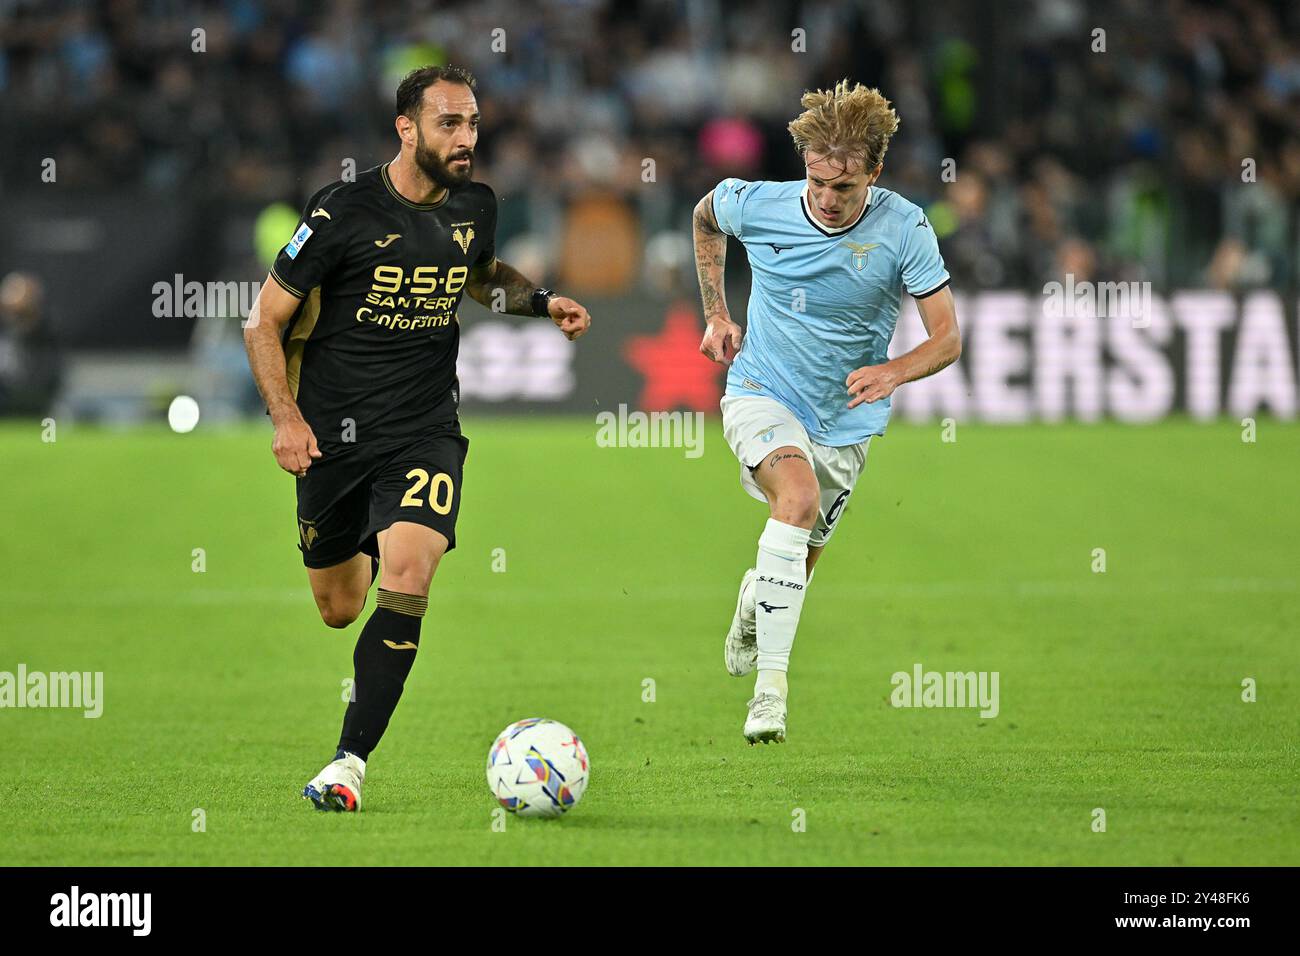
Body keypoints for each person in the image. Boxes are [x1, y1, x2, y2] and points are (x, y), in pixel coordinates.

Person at [243, 65, 592, 810]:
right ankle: (370, 531)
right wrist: (286, 417)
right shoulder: (342, 213)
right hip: (331, 437)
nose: (467, 139)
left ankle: (348, 763)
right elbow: (263, 320)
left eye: (473, 124)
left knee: (411, 573)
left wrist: (541, 300)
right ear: (407, 129)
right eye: (449, 125)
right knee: (339, 606)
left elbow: (480, 275)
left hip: (425, 429)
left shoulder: (475, 203)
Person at [692, 80, 962, 744]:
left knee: (797, 558)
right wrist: (718, 312)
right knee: (798, 500)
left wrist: (893, 371)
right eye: (817, 182)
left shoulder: (905, 226)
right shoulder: (761, 204)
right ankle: (770, 696)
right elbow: (705, 216)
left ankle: (758, 595)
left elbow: (948, 336)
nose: (827, 199)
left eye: (844, 187)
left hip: (846, 421)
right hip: (763, 392)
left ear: (874, 171)